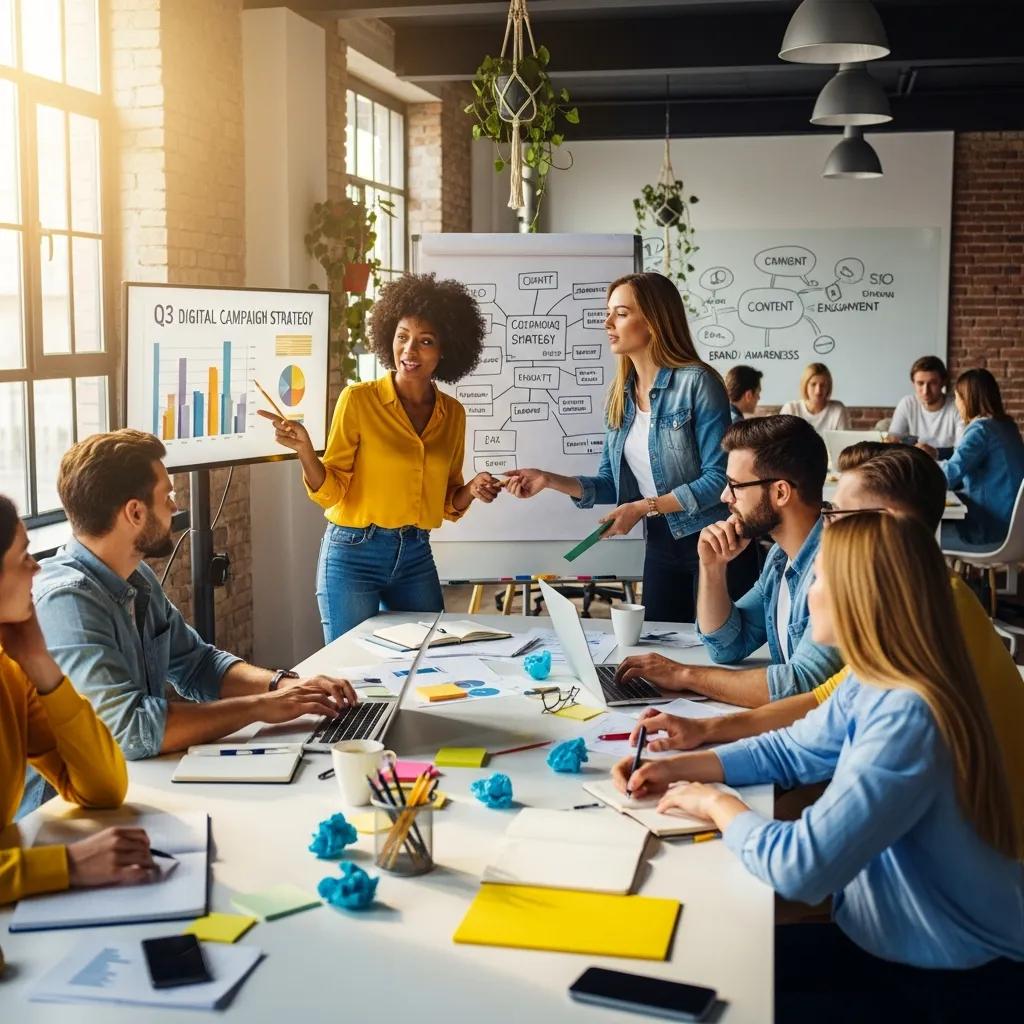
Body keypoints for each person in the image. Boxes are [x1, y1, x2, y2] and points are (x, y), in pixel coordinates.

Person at [614, 513, 1024, 1022]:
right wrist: (682, 768)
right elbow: (792, 749)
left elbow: (800, 868)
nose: (811, 594)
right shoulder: (878, 678)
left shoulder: (906, 715)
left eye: (823, 579)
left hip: (957, 986)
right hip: (889, 946)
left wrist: (717, 804)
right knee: (699, 974)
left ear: (861, 595)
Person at [624, 443, 1024, 846]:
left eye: (837, 515)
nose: (824, 525)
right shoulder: (919, 597)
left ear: (888, 524)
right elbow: (821, 705)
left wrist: (714, 800)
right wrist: (703, 735)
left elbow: (802, 860)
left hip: (973, 860)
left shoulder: (927, 620)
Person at [31, 431, 358, 782]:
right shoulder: (67, 602)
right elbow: (131, 729)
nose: (174, 508)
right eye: (167, 496)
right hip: (63, 815)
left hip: (131, 783)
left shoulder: (135, 575)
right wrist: (262, 708)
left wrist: (284, 687)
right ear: (135, 512)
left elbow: (198, 664)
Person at [505, 272, 760, 622]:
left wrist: (643, 507)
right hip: (660, 542)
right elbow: (612, 483)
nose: (608, 322)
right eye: (609, 313)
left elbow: (719, 479)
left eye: (621, 313)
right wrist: (549, 479)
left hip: (717, 540)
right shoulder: (620, 395)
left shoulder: (697, 383)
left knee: (716, 653)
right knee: (659, 649)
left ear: (653, 322)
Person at [262, 273, 501, 642]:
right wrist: (306, 451)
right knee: (352, 671)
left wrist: (471, 488)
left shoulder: (452, 414)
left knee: (432, 658)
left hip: (415, 555)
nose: (409, 351)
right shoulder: (358, 400)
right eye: (402, 337)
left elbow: (446, 503)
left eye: (425, 342)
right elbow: (332, 490)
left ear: (445, 350)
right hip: (354, 553)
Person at [614, 415, 842, 706]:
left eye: (735, 486)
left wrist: (684, 675)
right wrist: (712, 567)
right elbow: (727, 645)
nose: (725, 497)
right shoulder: (781, 558)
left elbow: (802, 685)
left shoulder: (836, 567)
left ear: (780, 492)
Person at [1, 494, 161, 904]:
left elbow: (103, 788)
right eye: (23, 558)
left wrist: (41, 665)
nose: (37, 567)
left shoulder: (11, 671)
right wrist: (68, 865)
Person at [923, 368, 1024, 550]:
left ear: (968, 399)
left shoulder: (981, 430)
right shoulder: (1007, 426)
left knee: (923, 535)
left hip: (989, 530)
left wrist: (915, 471)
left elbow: (947, 477)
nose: (957, 405)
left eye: (957, 398)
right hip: (1016, 530)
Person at [887, 355, 961, 455]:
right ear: (913, 383)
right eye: (920, 383)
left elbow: (963, 450)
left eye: (932, 383)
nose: (925, 391)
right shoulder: (907, 403)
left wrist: (935, 452)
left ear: (943, 382)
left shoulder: (958, 406)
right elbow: (893, 439)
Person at [780, 362, 851, 432]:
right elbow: (779, 440)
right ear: (805, 385)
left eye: (823, 385)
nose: (818, 391)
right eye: (813, 384)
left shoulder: (837, 410)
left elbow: (844, 442)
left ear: (828, 387)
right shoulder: (791, 409)